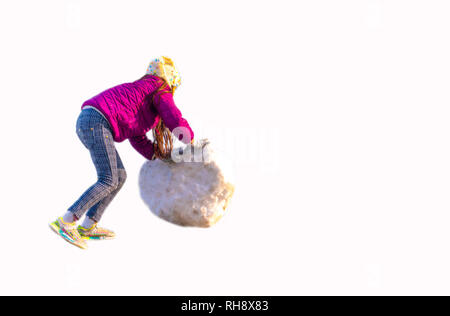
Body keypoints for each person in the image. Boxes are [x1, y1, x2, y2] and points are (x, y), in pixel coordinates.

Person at [49, 56, 194, 249]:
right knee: (108, 178)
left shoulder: (142, 95)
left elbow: (137, 137)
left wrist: (156, 157)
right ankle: (66, 221)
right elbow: (173, 117)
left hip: (92, 121)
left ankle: (88, 226)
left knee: (120, 175)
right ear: (170, 79)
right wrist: (190, 140)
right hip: (97, 122)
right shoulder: (159, 88)